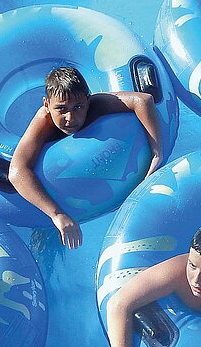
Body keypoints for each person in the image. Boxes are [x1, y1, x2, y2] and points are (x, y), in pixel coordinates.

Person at [9, 66, 166, 250]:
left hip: (90, 187)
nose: (70, 117)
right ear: (46, 104)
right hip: (55, 187)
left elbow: (144, 100)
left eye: (78, 107)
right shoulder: (43, 123)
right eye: (61, 109)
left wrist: (156, 151)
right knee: (46, 239)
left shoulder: (96, 105)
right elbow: (16, 171)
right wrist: (57, 214)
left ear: (88, 100)